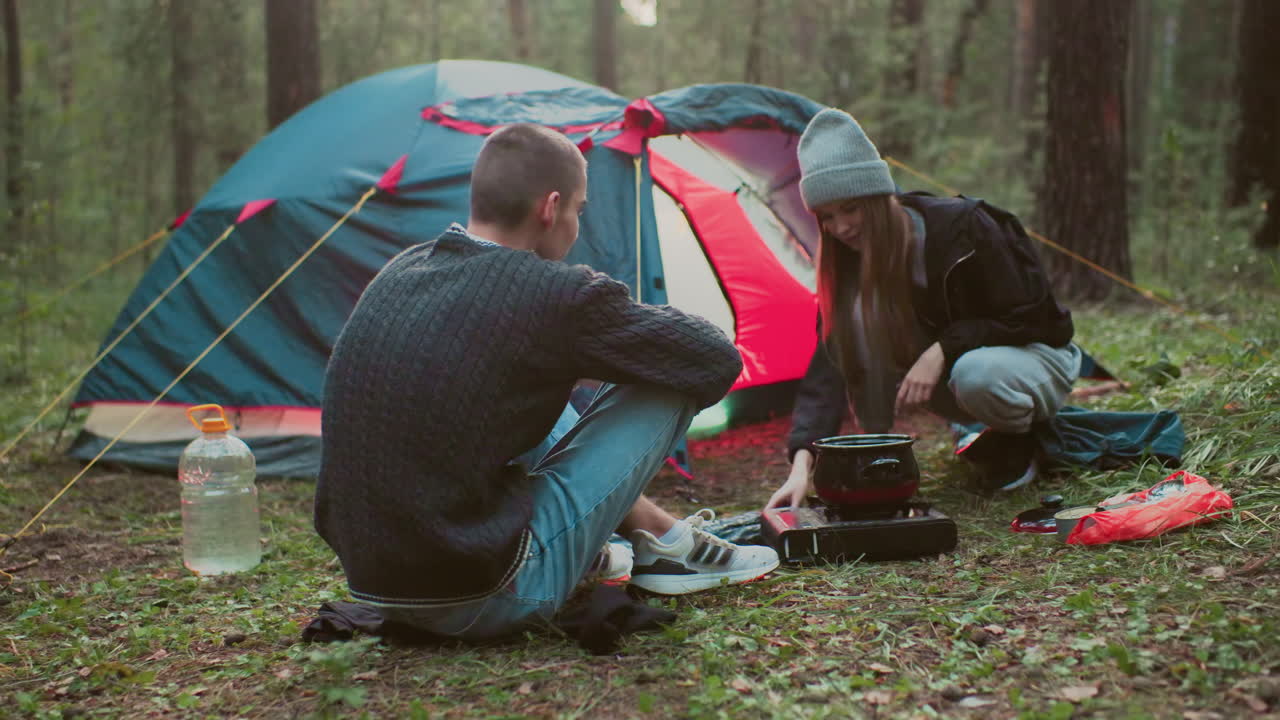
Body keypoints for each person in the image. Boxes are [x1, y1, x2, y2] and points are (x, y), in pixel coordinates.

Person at [315, 123, 779, 641]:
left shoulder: (402, 269)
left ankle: (659, 536)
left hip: (377, 586)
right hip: (485, 592)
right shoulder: (552, 295)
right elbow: (712, 357)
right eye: (579, 210)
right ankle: (668, 551)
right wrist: (602, 335)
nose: (578, 223)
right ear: (550, 207)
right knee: (668, 369)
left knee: (538, 373)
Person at [766, 108, 1079, 509]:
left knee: (976, 373)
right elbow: (827, 373)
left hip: (1034, 361)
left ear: (879, 197)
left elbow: (1039, 321)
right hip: (957, 376)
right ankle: (876, 455)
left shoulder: (964, 229)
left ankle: (1019, 443)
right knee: (858, 331)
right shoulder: (846, 267)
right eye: (827, 217)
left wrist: (943, 348)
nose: (841, 227)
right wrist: (801, 466)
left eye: (850, 208)